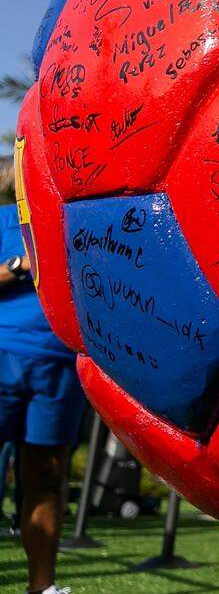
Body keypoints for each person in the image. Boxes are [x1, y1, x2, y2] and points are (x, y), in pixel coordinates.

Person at [0, 203, 84, 594]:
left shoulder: (81, 217)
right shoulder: (4, 219)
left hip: (61, 365)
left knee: (46, 479)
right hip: (4, 354)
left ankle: (42, 587)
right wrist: (23, 264)